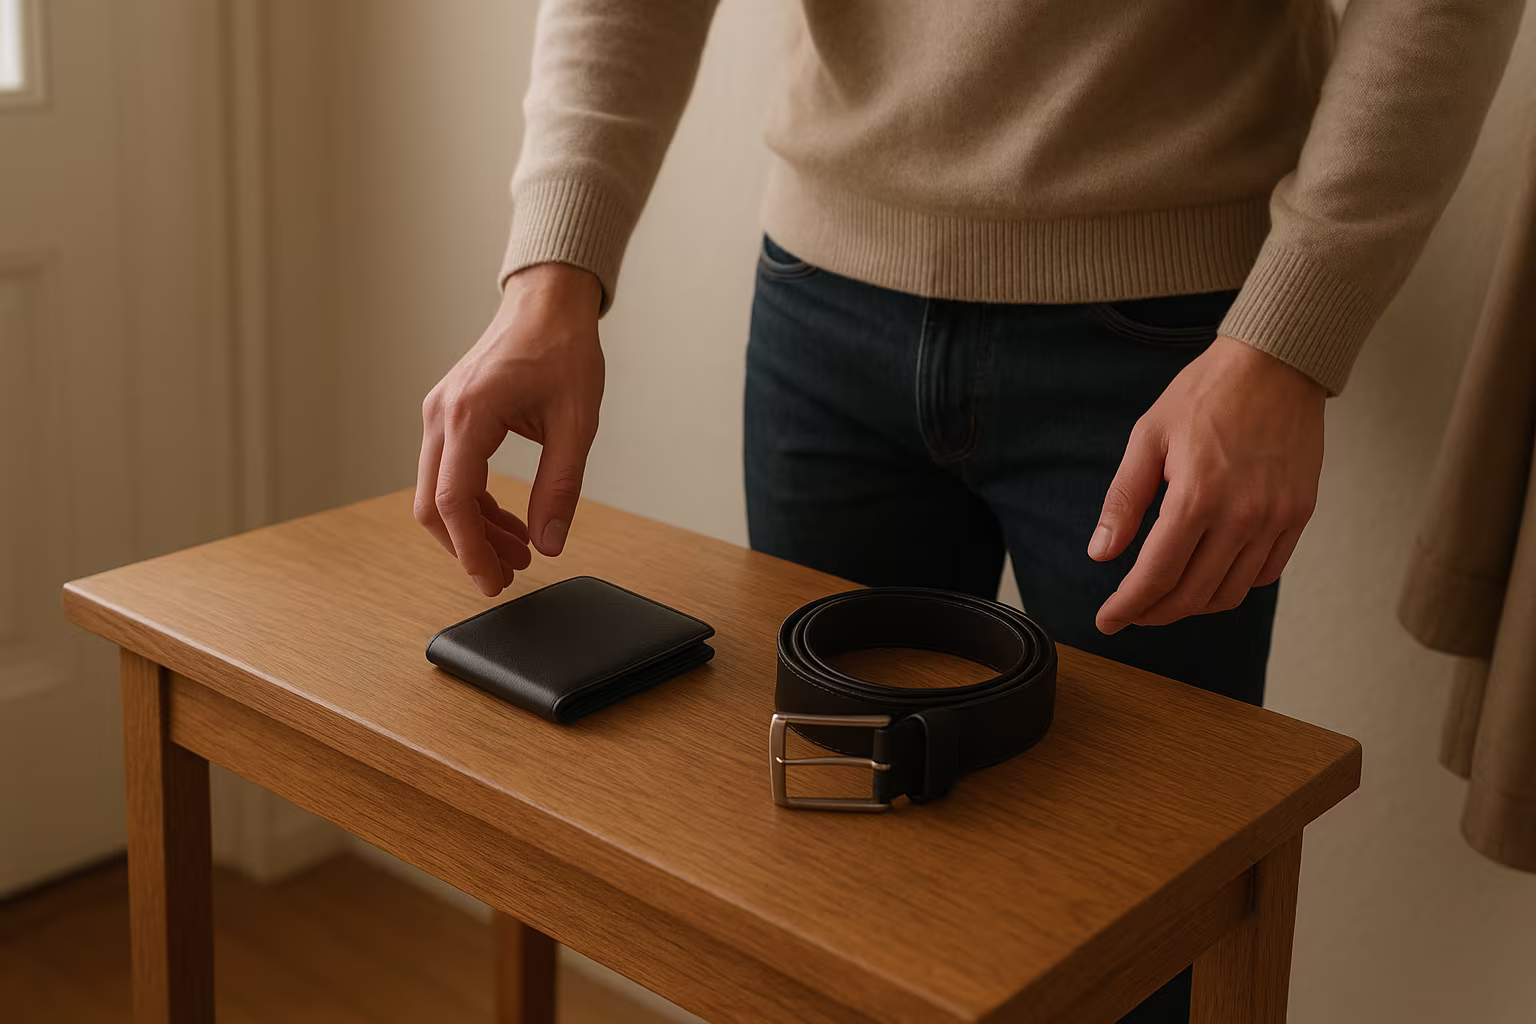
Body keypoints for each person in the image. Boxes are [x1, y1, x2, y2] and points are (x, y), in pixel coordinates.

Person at [415, 2, 1521, 1020]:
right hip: (823, 307)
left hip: (1174, 346)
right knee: (826, 892)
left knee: (1145, 949)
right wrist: (550, 272)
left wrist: (1290, 341)